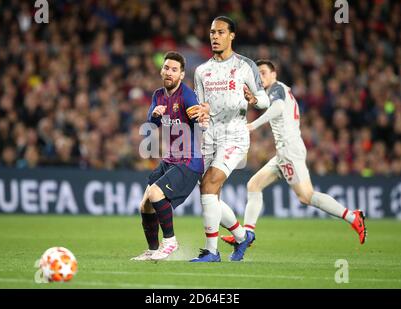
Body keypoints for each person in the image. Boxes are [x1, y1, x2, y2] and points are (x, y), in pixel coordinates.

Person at [221, 59, 367, 249]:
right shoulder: (274, 91)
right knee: (254, 185)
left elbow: (279, 107)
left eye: (264, 72)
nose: (260, 76)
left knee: (306, 196)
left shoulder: (276, 89)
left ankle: (353, 217)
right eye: (258, 74)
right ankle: (247, 234)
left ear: (274, 74)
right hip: (285, 151)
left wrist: (253, 125)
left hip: (289, 151)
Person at [190, 16, 270, 262]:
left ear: (232, 35)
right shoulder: (202, 71)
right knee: (208, 192)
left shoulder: (245, 66)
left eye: (221, 32)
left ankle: (211, 252)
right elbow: (201, 107)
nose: (215, 36)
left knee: (210, 184)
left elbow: (265, 100)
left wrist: (255, 100)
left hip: (234, 135)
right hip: (210, 136)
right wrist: (198, 115)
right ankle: (241, 236)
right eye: (212, 32)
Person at [131, 51, 209, 261]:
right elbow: (151, 122)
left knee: (156, 193)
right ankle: (153, 250)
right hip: (169, 160)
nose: (169, 72)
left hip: (189, 161)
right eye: (166, 68)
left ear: (182, 75)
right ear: (161, 70)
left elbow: (197, 118)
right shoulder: (158, 95)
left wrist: (201, 118)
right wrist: (154, 115)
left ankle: (170, 241)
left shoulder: (187, 95)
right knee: (145, 204)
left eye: (174, 70)